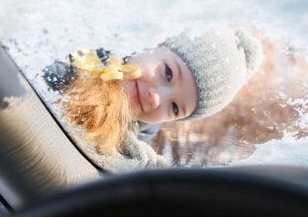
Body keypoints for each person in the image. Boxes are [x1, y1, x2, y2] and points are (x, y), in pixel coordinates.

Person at [43, 27, 264, 168]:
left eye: (175, 108)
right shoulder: (80, 55)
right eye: (168, 73)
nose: (157, 99)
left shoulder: (135, 144)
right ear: (153, 43)